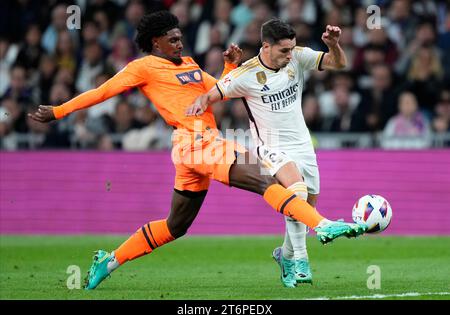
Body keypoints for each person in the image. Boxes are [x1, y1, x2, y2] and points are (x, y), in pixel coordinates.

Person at [28, 11, 367, 290]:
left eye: (180, 37)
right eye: (172, 39)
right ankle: (321, 225)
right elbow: (102, 92)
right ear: (154, 42)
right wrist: (58, 112)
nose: (179, 43)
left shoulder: (188, 63)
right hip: (197, 143)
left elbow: (215, 90)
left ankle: (109, 261)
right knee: (267, 179)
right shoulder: (143, 67)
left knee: (176, 226)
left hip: (194, 149)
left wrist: (230, 67)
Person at [186, 19, 349, 287]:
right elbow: (211, 93)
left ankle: (284, 255)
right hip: (270, 146)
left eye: (292, 48)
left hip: (303, 144)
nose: (290, 54)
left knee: (305, 207)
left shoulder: (297, 57)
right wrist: (198, 103)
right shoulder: (245, 74)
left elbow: (338, 63)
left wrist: (334, 45)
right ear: (266, 46)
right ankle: (301, 261)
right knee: (296, 192)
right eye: (284, 50)